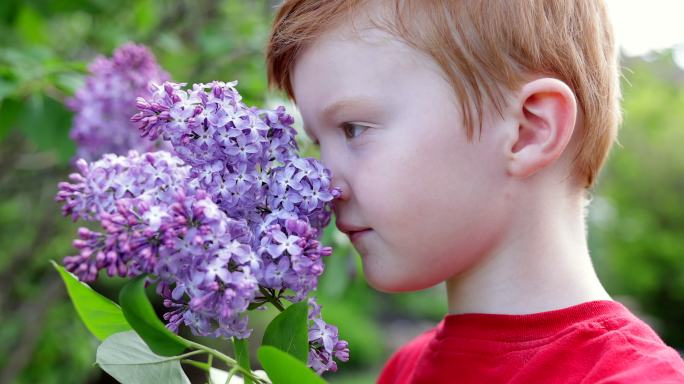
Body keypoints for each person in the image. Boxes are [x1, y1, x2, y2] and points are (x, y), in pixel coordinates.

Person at [265, 0, 684, 382]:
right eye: (319, 144)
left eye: (354, 129)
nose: (322, 186)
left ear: (527, 131)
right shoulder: (402, 371)